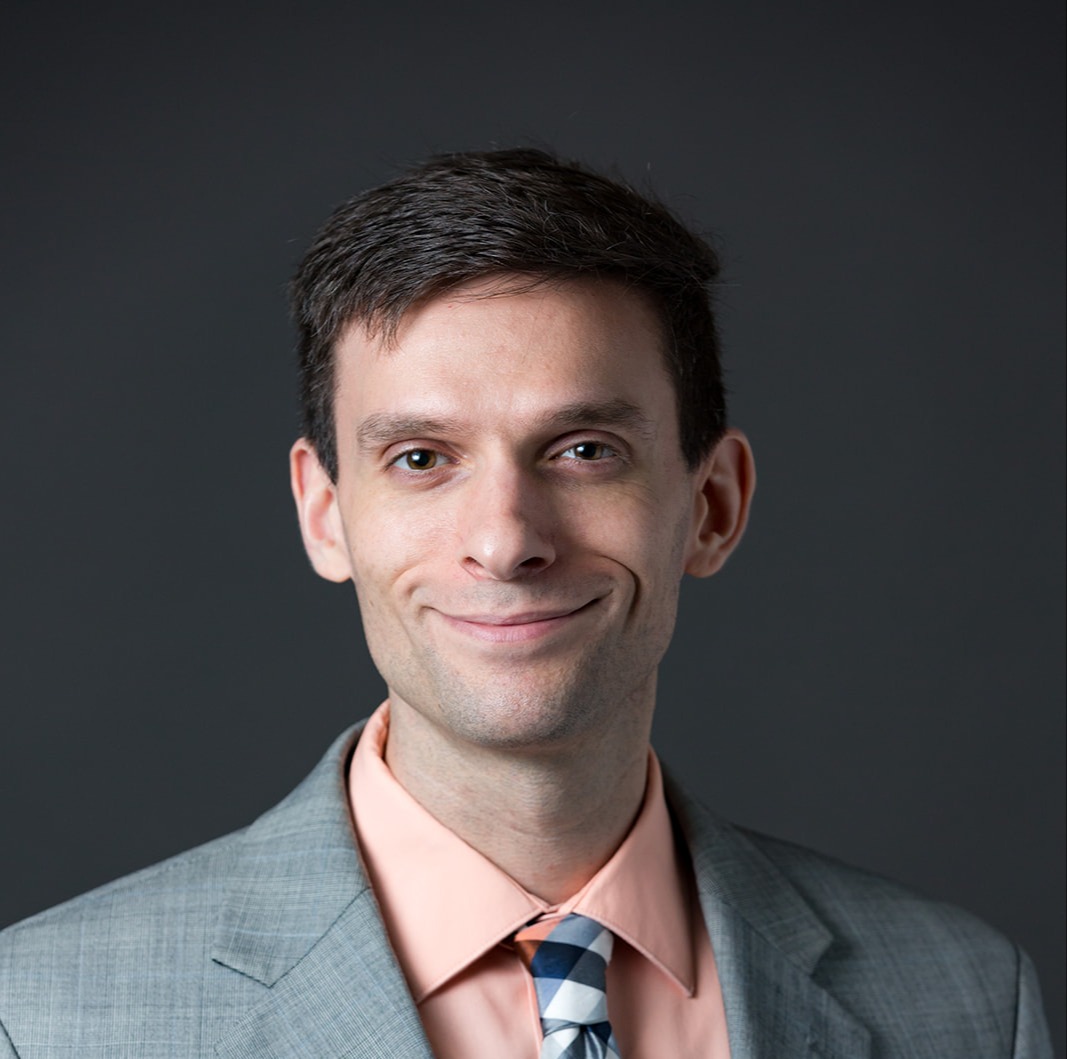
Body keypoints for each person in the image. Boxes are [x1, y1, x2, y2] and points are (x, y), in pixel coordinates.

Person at [0, 149, 1052, 1058]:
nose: (506, 539)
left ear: (712, 505)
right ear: (325, 514)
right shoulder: (41, 1020)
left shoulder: (961, 999)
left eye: (583, 450)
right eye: (420, 457)